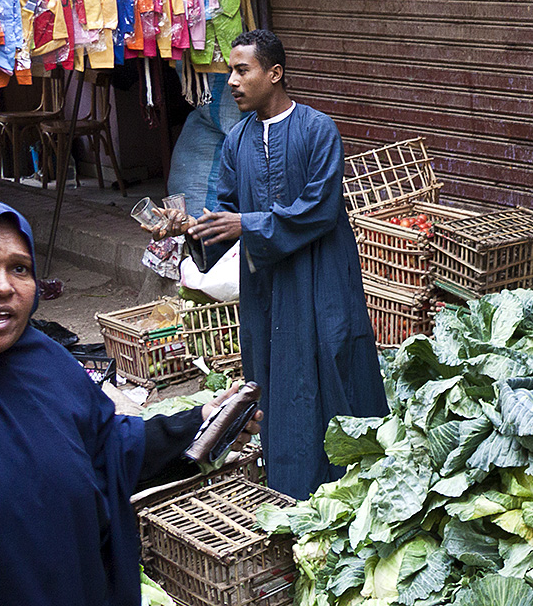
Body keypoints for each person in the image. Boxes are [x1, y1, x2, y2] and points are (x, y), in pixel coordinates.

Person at [0, 199, 260, 606]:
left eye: (19, 268)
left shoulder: (48, 367)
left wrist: (200, 422)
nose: (2, 286)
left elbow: (107, 448)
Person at [152, 29, 387, 500]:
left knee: (335, 363)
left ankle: (362, 484)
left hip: (321, 277)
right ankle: (294, 490)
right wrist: (187, 229)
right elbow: (226, 217)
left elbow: (319, 209)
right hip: (269, 288)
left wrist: (248, 225)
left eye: (243, 71)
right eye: (230, 72)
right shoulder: (237, 141)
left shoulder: (319, 130)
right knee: (281, 383)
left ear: (274, 73)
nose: (232, 83)